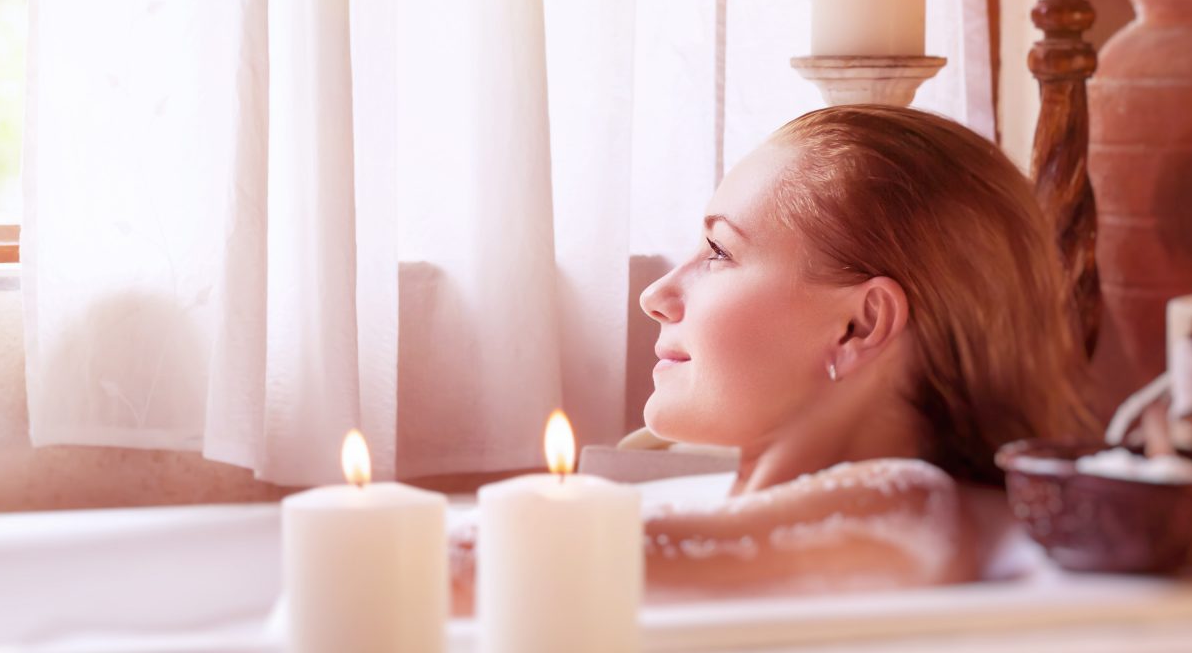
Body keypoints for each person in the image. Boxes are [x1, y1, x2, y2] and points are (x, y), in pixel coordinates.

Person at [454, 105, 1091, 603]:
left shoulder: (903, 509)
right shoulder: (837, 512)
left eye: (719, 253)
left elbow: (506, 576)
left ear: (859, 327)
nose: (656, 295)